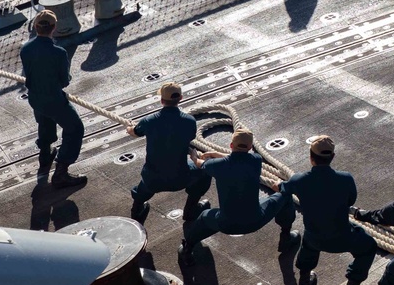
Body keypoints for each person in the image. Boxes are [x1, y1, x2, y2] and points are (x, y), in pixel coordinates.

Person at [278, 136, 377, 285]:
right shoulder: (346, 179)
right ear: (332, 157)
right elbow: (350, 200)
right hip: (342, 237)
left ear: (311, 157)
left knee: (308, 241)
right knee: (369, 246)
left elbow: (282, 189)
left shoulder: (299, 180)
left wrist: (278, 185)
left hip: (315, 237)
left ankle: (304, 283)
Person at [178, 129, 298, 264]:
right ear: (251, 148)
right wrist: (218, 154)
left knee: (204, 217)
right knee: (285, 195)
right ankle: (286, 237)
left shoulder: (217, 165)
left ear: (231, 145)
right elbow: (239, 159)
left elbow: (200, 164)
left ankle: (187, 248)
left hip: (226, 223)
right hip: (256, 220)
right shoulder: (256, 160)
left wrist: (194, 156)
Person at [127, 82, 211, 225]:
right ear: (181, 98)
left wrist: (129, 128)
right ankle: (190, 210)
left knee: (143, 187)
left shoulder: (149, 120)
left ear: (161, 100)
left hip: (152, 179)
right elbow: (189, 138)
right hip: (180, 178)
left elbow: (135, 132)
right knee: (205, 171)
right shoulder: (189, 121)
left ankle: (137, 211)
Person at [19, 10, 86, 188]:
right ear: (54, 28)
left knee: (45, 122)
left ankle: (45, 154)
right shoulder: (59, 53)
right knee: (75, 128)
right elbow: (64, 81)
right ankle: (61, 172)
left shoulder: (25, 48)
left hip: (35, 98)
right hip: (54, 100)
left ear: (35, 27)